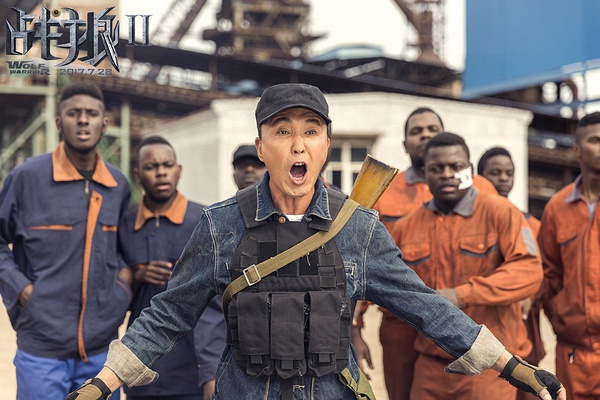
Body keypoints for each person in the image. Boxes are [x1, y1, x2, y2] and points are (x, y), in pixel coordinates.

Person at [66, 83, 565, 400]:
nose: (298, 144)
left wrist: (512, 366)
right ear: (261, 147)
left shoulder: (358, 229)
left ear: (326, 144)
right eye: (282, 131)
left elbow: (425, 307)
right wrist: (103, 384)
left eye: (311, 131)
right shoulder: (220, 226)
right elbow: (170, 313)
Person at [351, 106, 497, 400]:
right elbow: (360, 257)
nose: (425, 135)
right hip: (400, 324)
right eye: (416, 131)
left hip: (461, 317)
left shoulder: (481, 188)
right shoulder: (383, 189)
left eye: (432, 129)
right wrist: (355, 326)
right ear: (405, 144)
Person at [0, 82, 131, 399]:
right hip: (41, 349)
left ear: (104, 123)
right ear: (59, 122)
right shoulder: (27, 178)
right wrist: (23, 290)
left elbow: (127, 249)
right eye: (74, 113)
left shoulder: (117, 185)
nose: (83, 120)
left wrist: (122, 288)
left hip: (101, 351)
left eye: (91, 114)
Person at [390, 132, 543, 399]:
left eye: (456, 166)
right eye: (437, 169)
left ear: (470, 170)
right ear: (424, 173)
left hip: (490, 363)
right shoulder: (406, 227)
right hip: (431, 364)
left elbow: (528, 270)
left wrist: (462, 295)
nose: (447, 174)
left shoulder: (503, 213)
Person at [118, 135, 226, 400]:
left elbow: (216, 303)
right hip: (141, 368)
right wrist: (137, 276)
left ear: (179, 170)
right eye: (151, 166)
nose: (161, 172)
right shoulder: (125, 226)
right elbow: (114, 293)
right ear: (137, 175)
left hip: (192, 371)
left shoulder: (204, 220)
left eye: (167, 165)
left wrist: (210, 372)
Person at [535, 111, 600, 400]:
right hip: (573, 351)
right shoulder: (557, 208)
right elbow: (548, 274)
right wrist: (562, 317)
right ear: (576, 150)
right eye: (595, 140)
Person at [478, 147, 546, 400]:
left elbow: (544, 270)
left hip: (523, 320)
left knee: (530, 385)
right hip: (487, 318)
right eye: (495, 172)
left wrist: (531, 293)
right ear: (480, 177)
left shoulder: (532, 224)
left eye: (509, 173)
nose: (503, 178)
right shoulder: (472, 223)